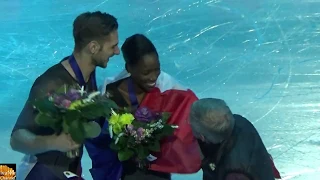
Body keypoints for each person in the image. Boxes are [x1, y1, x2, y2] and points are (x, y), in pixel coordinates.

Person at [10, 11, 120, 180]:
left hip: (66, 171)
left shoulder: (88, 74)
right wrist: (53, 142)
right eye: (112, 46)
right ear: (93, 48)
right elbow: (16, 139)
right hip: (40, 172)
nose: (117, 51)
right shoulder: (51, 83)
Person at [85, 34, 202, 180]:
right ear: (129, 68)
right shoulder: (111, 91)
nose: (153, 77)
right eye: (146, 72)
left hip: (156, 172)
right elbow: (98, 137)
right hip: (119, 170)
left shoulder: (171, 90)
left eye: (157, 69)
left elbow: (197, 115)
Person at [189, 98, 281, 180]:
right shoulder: (235, 121)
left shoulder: (235, 174)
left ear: (202, 137)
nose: (188, 122)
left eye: (190, 122)